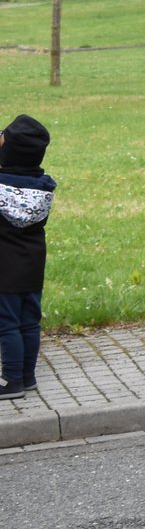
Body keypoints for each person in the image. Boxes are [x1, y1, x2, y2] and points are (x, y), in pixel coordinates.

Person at [0, 114, 55, 399]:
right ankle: (28, 376)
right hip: (33, 266)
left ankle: (12, 381)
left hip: (5, 270)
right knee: (29, 322)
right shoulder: (42, 186)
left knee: (6, 325)